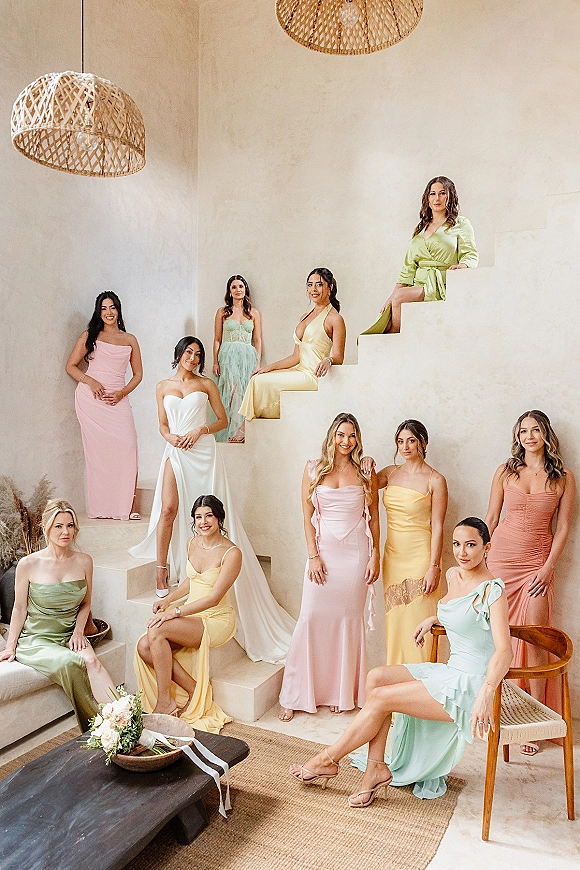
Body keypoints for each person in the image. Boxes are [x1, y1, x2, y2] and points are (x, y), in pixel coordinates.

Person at [289, 518, 512, 805]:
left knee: (381, 699)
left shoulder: (492, 591)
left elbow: (504, 650)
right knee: (376, 678)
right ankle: (376, 767)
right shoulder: (454, 576)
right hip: (450, 672)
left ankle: (327, 759)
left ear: (487, 547)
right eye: (457, 544)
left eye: (471, 545)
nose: (462, 552)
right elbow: (458, 612)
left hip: (469, 686)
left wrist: (486, 691)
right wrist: (434, 618)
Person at [128, 337, 295, 663]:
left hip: (202, 451)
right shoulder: (162, 386)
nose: (193, 357)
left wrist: (200, 430)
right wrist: (171, 436)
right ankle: (162, 571)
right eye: (188, 352)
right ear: (178, 354)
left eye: (198, 354)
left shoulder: (206, 383)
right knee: (168, 509)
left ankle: (206, 569)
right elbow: (161, 424)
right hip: (176, 450)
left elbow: (223, 420)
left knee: (208, 517)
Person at [278, 414, 380, 722]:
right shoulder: (312, 468)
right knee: (310, 618)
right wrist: (313, 555)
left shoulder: (365, 472)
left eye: (352, 436)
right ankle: (295, 695)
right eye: (341, 435)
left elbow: (374, 518)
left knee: (347, 621)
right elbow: (306, 516)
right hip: (324, 552)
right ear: (331, 436)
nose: (346, 442)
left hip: (356, 556)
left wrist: (375, 556)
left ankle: (340, 692)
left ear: (358, 439)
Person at [485, 410, 575, 755]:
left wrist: (549, 567)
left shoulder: (563, 476)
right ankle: (494, 713)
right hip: (501, 561)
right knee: (496, 637)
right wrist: (479, 563)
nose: (530, 435)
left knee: (536, 639)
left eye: (536, 429)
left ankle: (536, 723)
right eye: (523, 430)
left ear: (545, 434)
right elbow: (491, 518)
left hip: (537, 564)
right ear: (517, 436)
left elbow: (563, 527)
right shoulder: (505, 471)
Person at [0, 500, 117, 731]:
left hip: (69, 633)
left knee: (92, 661)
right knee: (71, 661)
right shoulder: (28, 564)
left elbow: (86, 603)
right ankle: (100, 728)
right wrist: (10, 646)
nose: (66, 532)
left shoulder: (84, 561)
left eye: (70, 526)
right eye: (58, 526)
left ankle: (123, 717)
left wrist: (77, 632)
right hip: (36, 640)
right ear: (45, 527)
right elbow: (19, 608)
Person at [135, 495, 239, 731]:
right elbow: (191, 582)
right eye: (198, 517)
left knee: (158, 630)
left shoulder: (232, 553)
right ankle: (193, 688)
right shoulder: (192, 543)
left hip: (216, 618)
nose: (203, 522)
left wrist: (176, 613)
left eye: (209, 515)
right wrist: (168, 601)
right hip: (191, 613)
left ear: (219, 517)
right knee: (143, 647)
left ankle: (165, 702)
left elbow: (213, 597)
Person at [363, 420, 448, 666]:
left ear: (423, 442)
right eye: (400, 441)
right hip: (393, 556)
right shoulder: (390, 473)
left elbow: (438, 526)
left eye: (411, 440)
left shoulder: (436, 480)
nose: (405, 446)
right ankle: (396, 686)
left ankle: (420, 690)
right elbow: (363, 483)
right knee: (397, 621)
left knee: (420, 622)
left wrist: (434, 566)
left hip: (422, 557)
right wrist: (366, 459)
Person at [66, 292, 142, 520]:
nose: (108, 313)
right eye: (104, 308)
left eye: (112, 308)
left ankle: (128, 506)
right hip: (92, 400)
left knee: (128, 446)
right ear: (98, 312)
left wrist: (122, 393)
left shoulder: (130, 339)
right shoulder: (89, 336)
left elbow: (138, 375)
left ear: (118, 310)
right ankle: (101, 508)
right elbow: (71, 366)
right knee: (98, 455)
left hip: (118, 398)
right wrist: (90, 380)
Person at [239, 268, 346, 420]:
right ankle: (249, 426)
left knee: (261, 383)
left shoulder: (335, 319)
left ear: (330, 287)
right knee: (257, 379)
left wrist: (328, 360)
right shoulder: (305, 316)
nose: (313, 289)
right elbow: (296, 356)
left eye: (319, 285)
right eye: (310, 285)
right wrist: (267, 368)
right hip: (299, 371)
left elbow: (339, 357)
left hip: (313, 376)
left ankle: (244, 427)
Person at [377, 177, 477, 334]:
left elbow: (470, 253)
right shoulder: (420, 228)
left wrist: (463, 266)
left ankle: (395, 335)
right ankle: (391, 335)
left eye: (442, 193)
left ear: (450, 196)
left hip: (441, 282)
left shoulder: (460, 223)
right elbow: (408, 267)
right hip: (417, 283)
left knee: (399, 299)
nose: (437, 198)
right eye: (433, 194)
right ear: (427, 198)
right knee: (388, 312)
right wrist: (391, 296)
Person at [212, 275, 262, 443]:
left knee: (246, 392)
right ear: (230, 291)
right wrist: (215, 361)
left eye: (241, 286)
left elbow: (257, 340)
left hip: (248, 356)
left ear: (245, 289)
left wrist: (258, 363)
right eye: (234, 287)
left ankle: (243, 431)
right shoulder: (222, 312)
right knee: (232, 391)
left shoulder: (253, 312)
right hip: (228, 356)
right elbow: (217, 339)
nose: (238, 289)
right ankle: (231, 430)